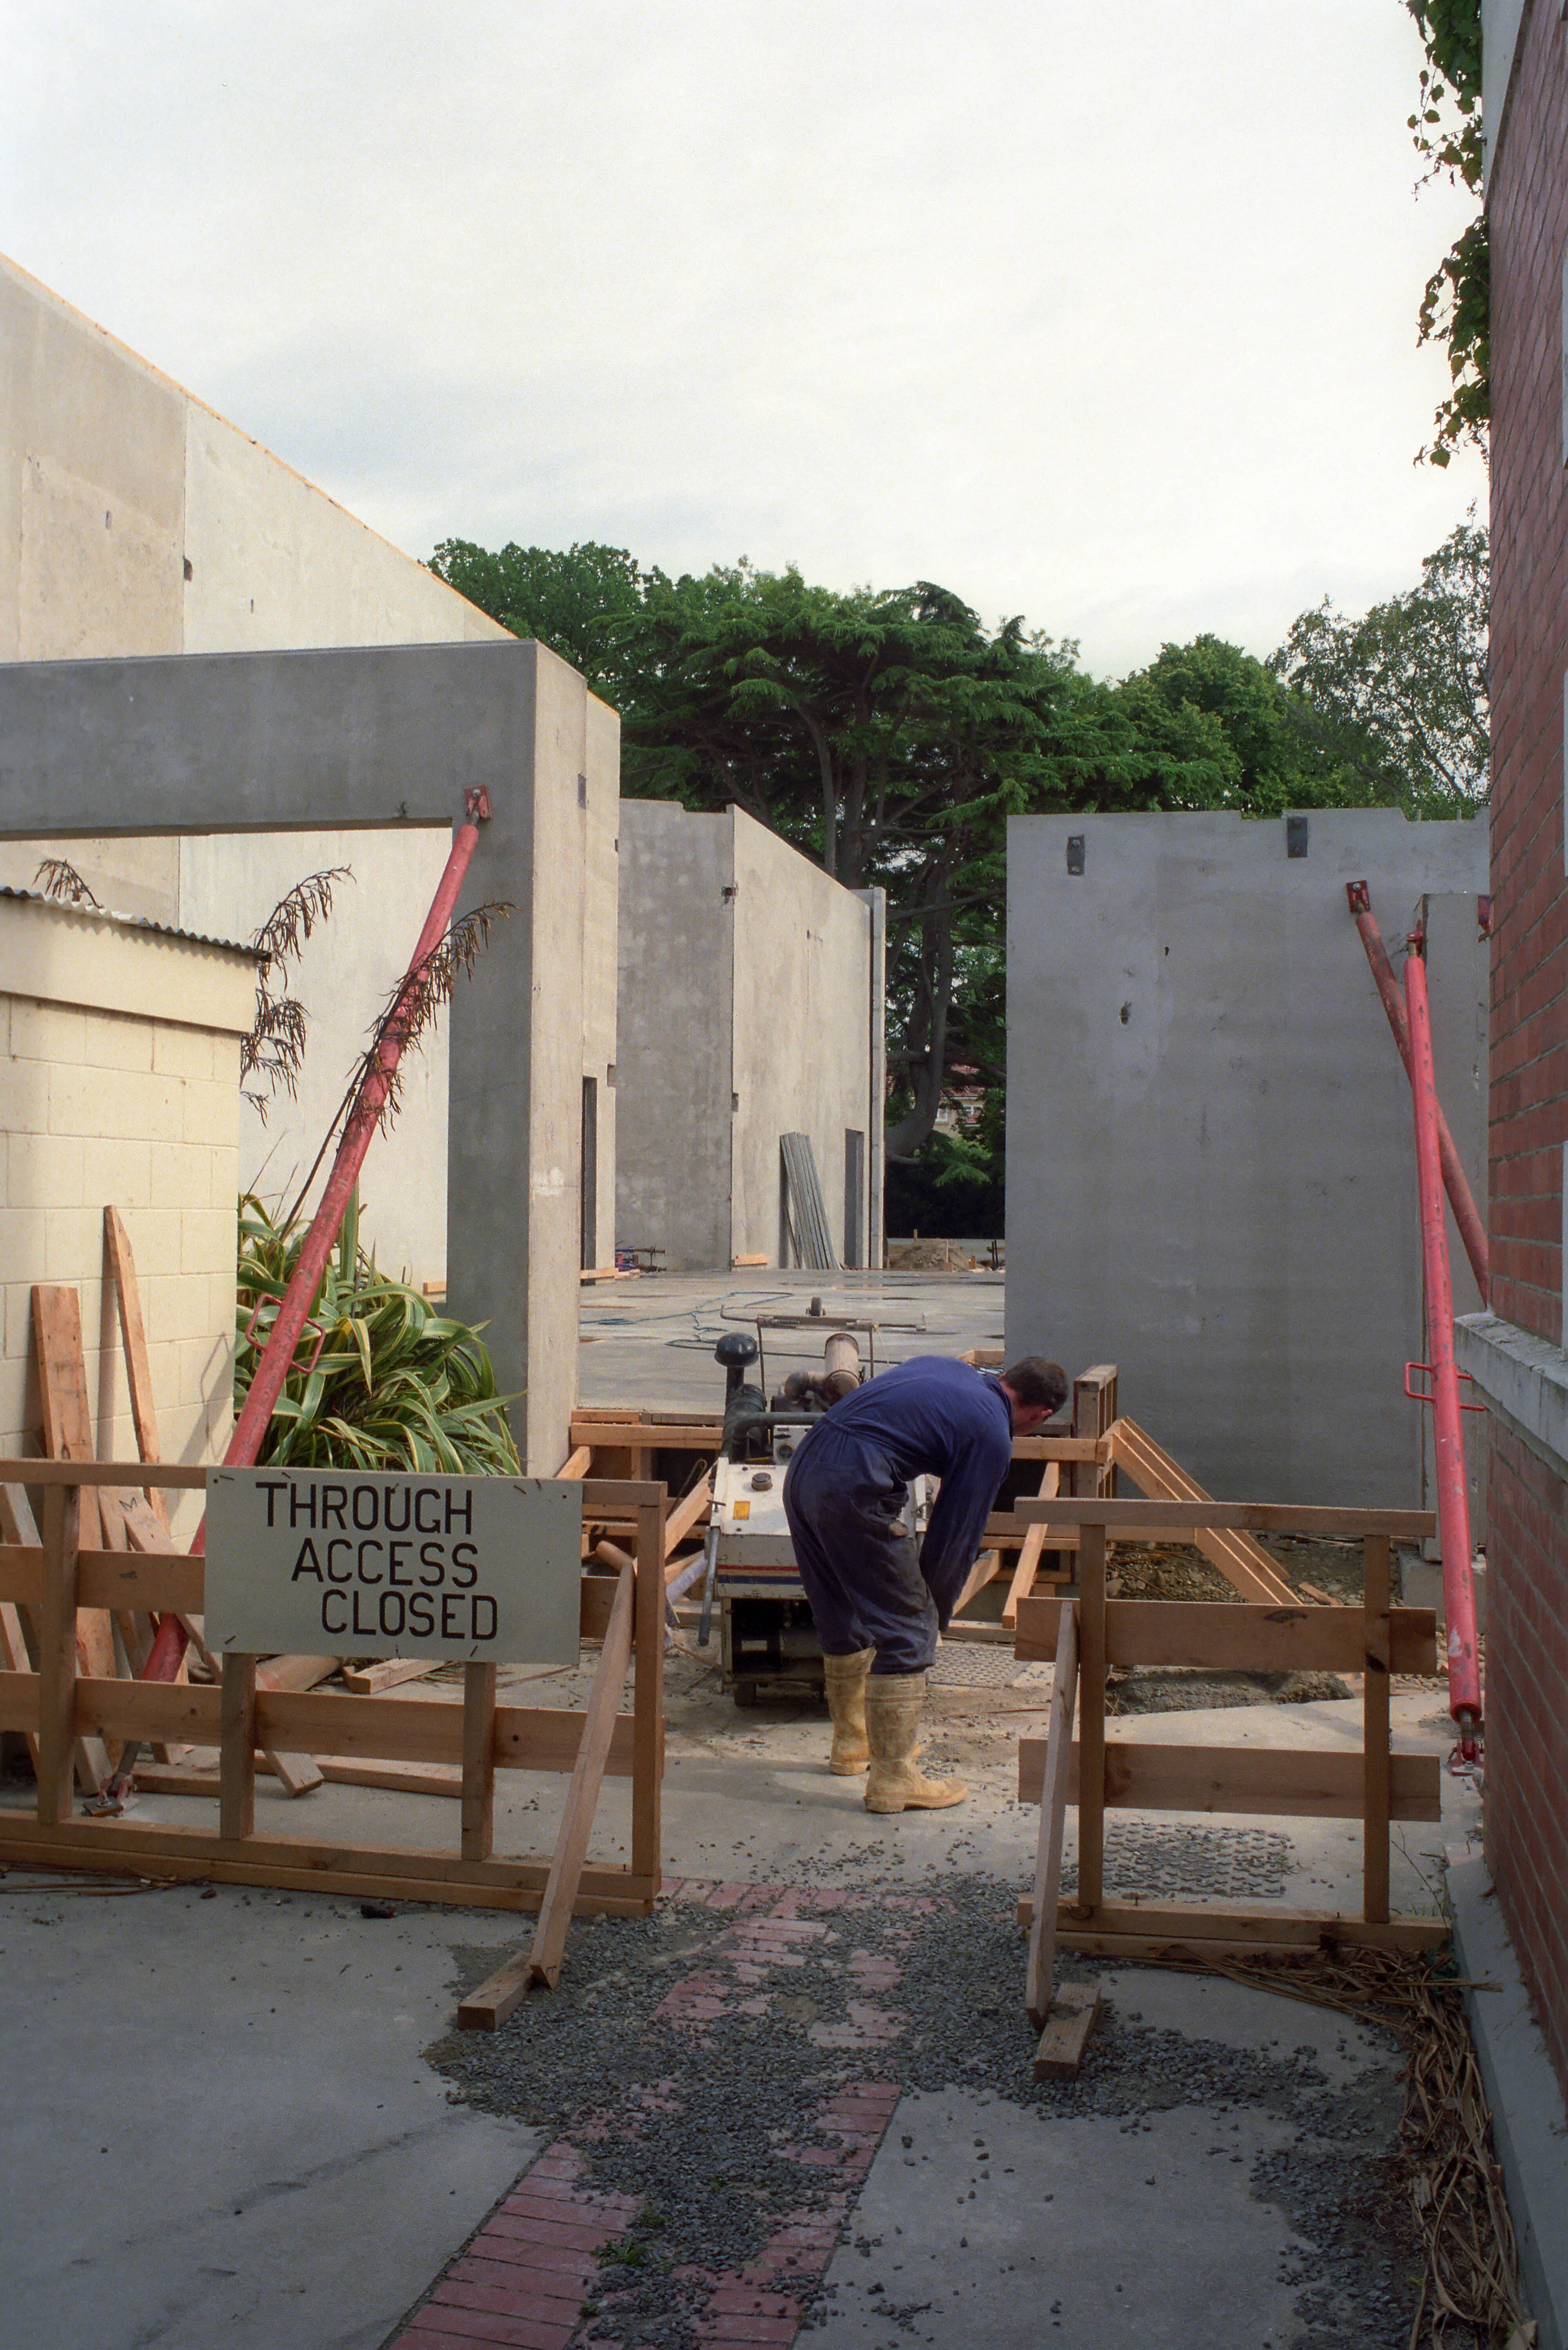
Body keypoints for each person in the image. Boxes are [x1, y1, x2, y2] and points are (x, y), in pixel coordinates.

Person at [782, 1354, 1069, 1814]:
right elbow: (955, 1532)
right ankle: (894, 1780)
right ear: (1041, 1415)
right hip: (854, 1484)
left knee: (839, 1609)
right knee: (907, 1630)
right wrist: (929, 1617)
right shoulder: (991, 1432)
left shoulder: (947, 1367)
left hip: (803, 1472)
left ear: (1006, 1376)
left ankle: (853, 1745)